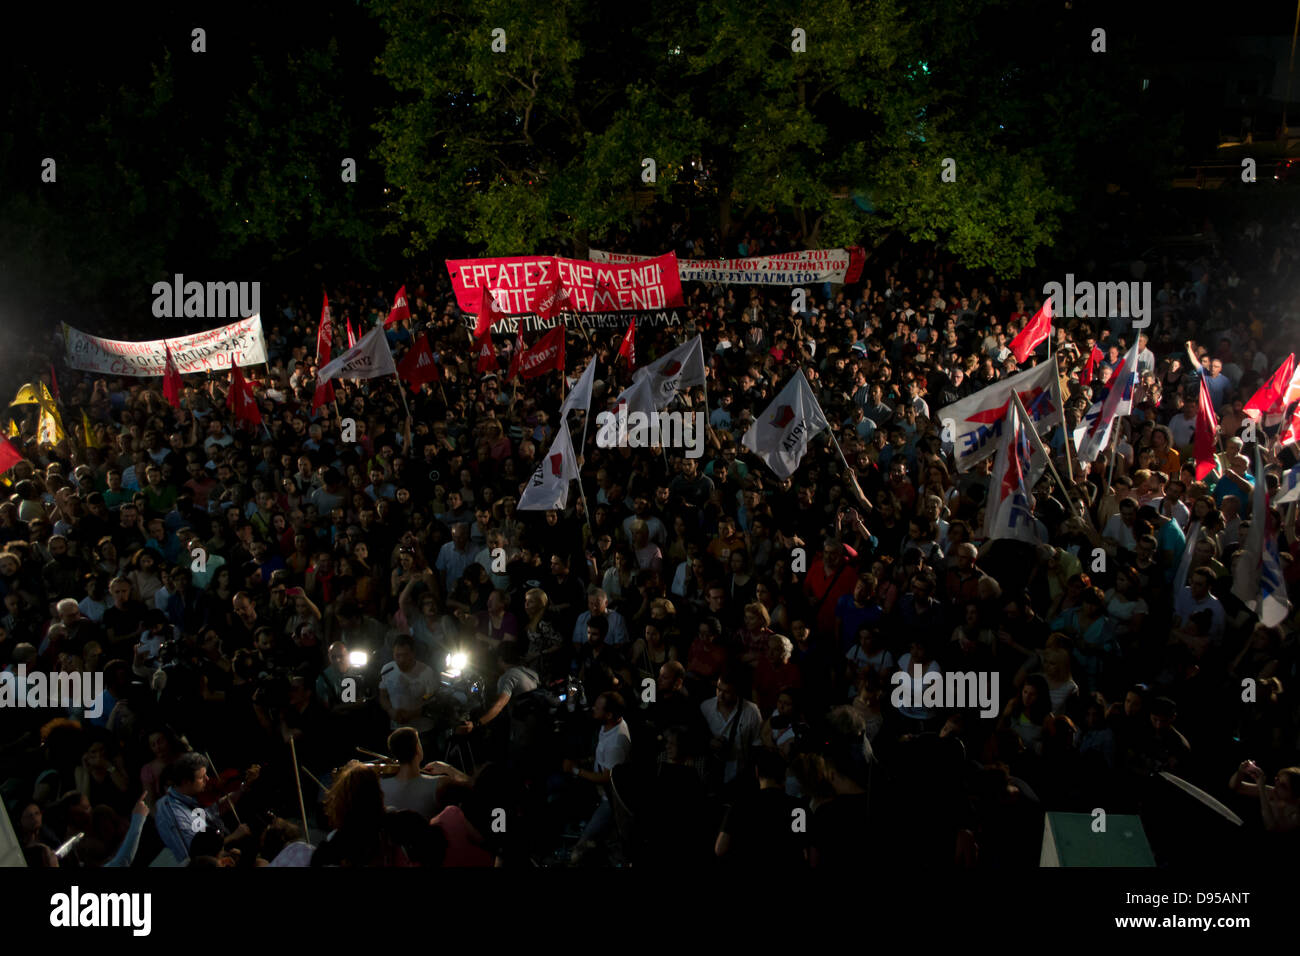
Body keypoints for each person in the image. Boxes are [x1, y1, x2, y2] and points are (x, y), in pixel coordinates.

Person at [564, 691, 631, 864]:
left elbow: (607, 778)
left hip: (610, 801)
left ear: (609, 714)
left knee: (582, 848)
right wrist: (584, 761)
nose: (593, 708)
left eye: (598, 707)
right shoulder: (607, 726)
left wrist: (575, 770)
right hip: (600, 793)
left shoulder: (616, 742)